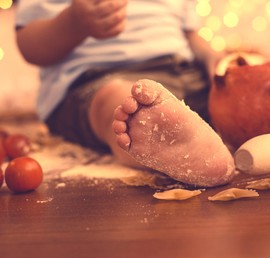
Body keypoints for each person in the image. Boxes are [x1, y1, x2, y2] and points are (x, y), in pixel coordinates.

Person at [15, 0, 235, 187]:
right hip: (95, 77)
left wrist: (212, 57)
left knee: (241, 93)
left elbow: (189, 34)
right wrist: (75, 23)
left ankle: (200, 130)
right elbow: (30, 45)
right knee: (120, 101)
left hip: (185, 71)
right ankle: (148, 135)